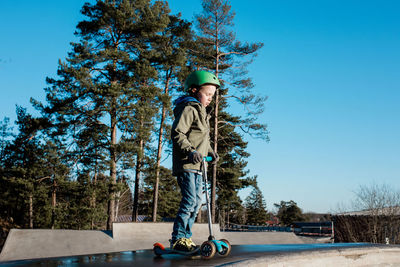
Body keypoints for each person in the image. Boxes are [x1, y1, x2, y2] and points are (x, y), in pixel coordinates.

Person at [170, 70, 220, 252]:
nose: (210, 98)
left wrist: (211, 152)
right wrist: (190, 151)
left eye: (212, 95)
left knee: (197, 202)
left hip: (199, 166)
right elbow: (178, 133)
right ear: (193, 90)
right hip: (187, 164)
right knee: (190, 201)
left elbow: (201, 140)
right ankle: (178, 238)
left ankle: (186, 238)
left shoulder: (203, 114)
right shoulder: (189, 109)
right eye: (207, 94)